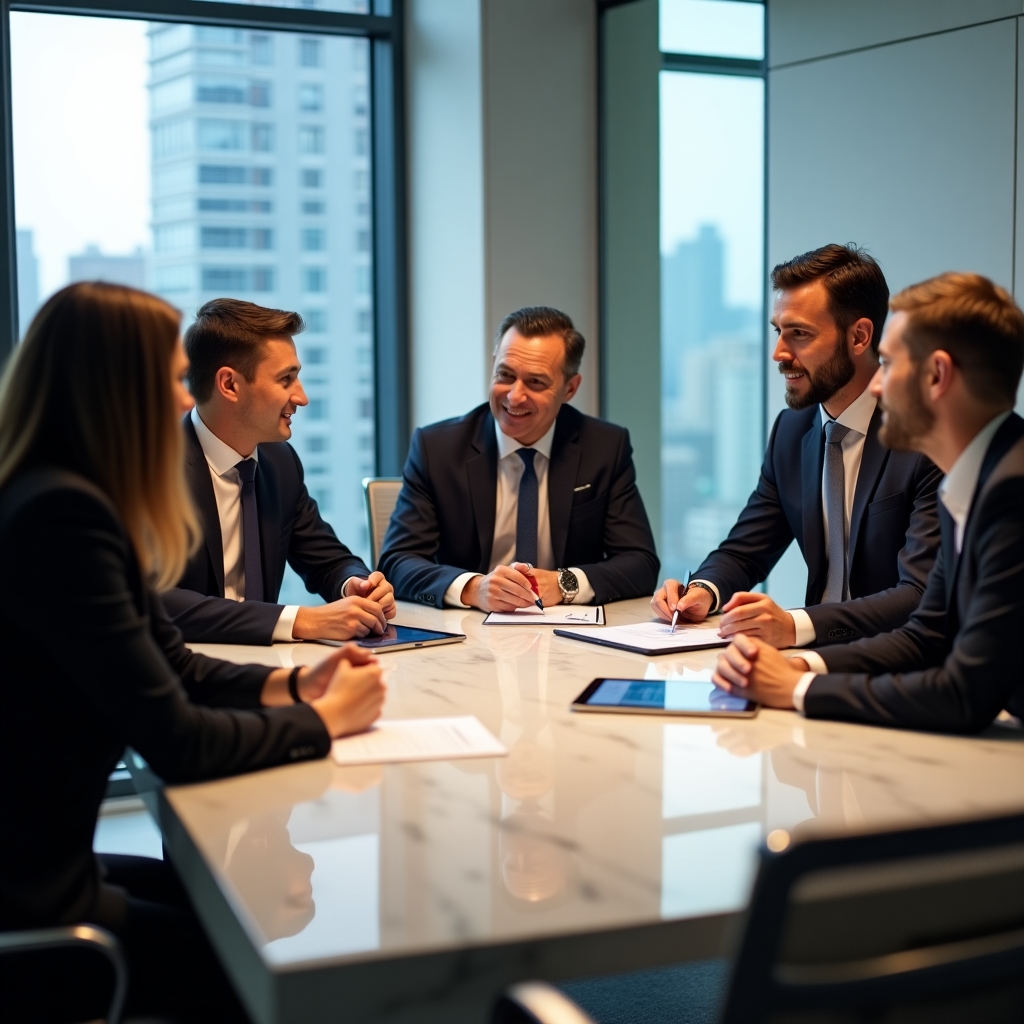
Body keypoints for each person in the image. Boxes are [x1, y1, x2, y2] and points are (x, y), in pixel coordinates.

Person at [0, 283, 386, 1022]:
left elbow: (172, 664)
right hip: (32, 895)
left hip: (45, 862)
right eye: (174, 379)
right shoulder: (63, 519)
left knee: (231, 910)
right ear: (118, 390)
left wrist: (293, 692)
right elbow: (177, 741)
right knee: (257, 960)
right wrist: (325, 722)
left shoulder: (67, 497)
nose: (185, 396)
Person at [713, 272, 1024, 733]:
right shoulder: (979, 475)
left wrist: (796, 690)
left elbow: (963, 694)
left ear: (937, 375)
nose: (876, 386)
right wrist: (803, 669)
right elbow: (924, 635)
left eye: (890, 364)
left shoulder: (1010, 491)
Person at [652, 244, 942, 648]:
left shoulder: (926, 438)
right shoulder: (792, 430)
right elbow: (746, 549)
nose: (779, 354)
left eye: (800, 334)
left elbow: (920, 592)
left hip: (898, 665)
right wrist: (704, 589)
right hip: (811, 657)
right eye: (779, 332)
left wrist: (794, 626)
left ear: (859, 337)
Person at [378, 306, 659, 611]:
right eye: (505, 375)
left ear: (570, 388)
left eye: (536, 382)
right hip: (467, 634)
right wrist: (474, 588)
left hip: (568, 634)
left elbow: (640, 563)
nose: (514, 396)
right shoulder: (438, 448)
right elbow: (396, 562)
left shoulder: (604, 447)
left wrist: (564, 582)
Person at [163, 298, 396, 645]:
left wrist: (358, 585)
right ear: (229, 385)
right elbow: (158, 600)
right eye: (286, 380)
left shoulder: (280, 462)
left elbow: (328, 559)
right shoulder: (155, 470)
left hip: (263, 666)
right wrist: (299, 620)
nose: (301, 397)